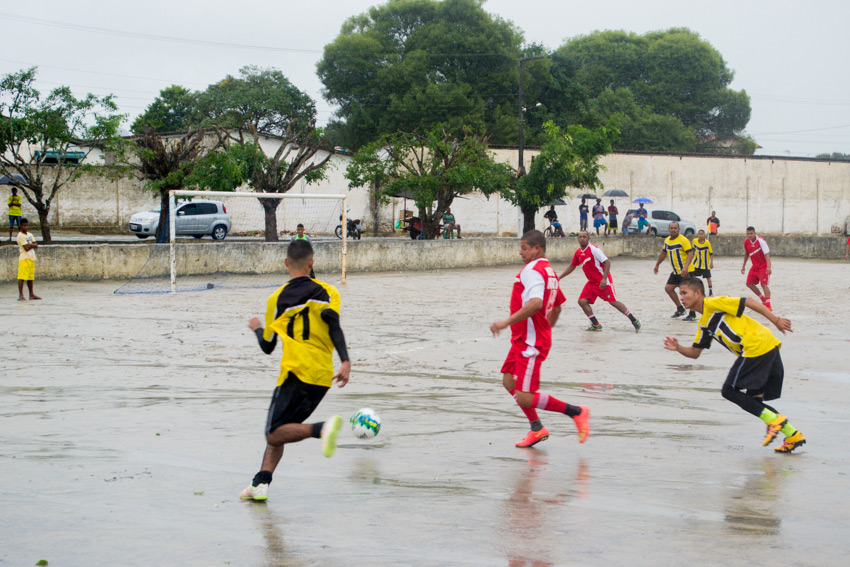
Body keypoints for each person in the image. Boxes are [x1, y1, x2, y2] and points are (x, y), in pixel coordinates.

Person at [240, 239, 351, 501]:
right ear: (312, 262)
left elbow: (268, 347)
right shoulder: (329, 293)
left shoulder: (276, 299)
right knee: (283, 429)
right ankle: (260, 483)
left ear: (286, 263)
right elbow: (334, 326)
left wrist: (256, 327)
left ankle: (321, 429)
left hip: (295, 374)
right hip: (323, 376)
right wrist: (345, 360)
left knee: (273, 432)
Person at [663, 277, 805, 454]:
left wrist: (775, 319)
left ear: (698, 293)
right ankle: (793, 435)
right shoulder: (704, 324)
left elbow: (748, 301)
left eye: (684, 293)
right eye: (679, 294)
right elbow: (695, 353)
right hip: (767, 345)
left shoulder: (713, 303)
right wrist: (677, 348)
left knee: (728, 390)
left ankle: (775, 422)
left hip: (756, 345)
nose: (681, 297)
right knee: (754, 403)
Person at [490, 230, 589, 448]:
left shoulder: (532, 270)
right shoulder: (549, 271)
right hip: (524, 339)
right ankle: (536, 428)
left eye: (524, 248)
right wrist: (545, 329)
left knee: (525, 396)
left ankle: (577, 412)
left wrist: (506, 323)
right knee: (508, 380)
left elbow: (535, 303)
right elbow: (558, 307)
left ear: (537, 248)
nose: (520, 252)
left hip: (529, 343)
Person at [558, 230, 641, 333]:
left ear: (588, 238)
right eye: (580, 237)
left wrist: (604, 279)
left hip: (602, 281)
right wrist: (560, 277)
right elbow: (572, 266)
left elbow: (607, 262)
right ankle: (595, 324)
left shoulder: (594, 249)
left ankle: (634, 320)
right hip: (591, 282)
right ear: (578, 239)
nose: (582, 239)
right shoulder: (578, 253)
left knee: (613, 301)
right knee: (582, 301)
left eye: (584, 237)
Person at [653, 221, 696, 320]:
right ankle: (680, 308)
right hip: (676, 271)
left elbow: (690, 254)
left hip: (686, 271)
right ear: (668, 229)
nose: (673, 230)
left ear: (679, 230)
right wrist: (657, 265)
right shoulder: (667, 241)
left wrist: (685, 268)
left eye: (675, 228)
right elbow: (663, 253)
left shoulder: (683, 240)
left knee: (688, 292)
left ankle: (692, 314)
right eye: (671, 228)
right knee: (668, 288)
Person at [742, 226, 772, 311]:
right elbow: (746, 253)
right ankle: (763, 299)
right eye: (748, 234)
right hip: (754, 266)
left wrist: (769, 267)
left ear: (755, 233)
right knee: (749, 283)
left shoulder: (761, 241)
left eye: (751, 233)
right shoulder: (746, 242)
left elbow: (767, 254)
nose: (749, 235)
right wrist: (743, 266)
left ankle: (768, 305)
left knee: (763, 284)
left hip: (763, 266)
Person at [16, 218, 41, 301]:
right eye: (24, 226)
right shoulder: (20, 235)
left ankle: (31, 294)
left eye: (27, 225)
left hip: (31, 258)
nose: (26, 227)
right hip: (24, 258)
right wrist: (32, 245)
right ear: (20, 226)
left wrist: (30, 245)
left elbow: (36, 245)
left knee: (30, 277)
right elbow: (26, 248)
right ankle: (21, 295)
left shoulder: (30, 234)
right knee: (22, 277)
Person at [689, 229, 714, 296]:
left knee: (708, 277)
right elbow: (692, 250)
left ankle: (710, 291)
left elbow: (711, 253)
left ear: (704, 235)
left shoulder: (707, 243)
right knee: (692, 276)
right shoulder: (694, 241)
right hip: (696, 263)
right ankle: (696, 290)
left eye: (702, 234)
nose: (700, 235)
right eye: (699, 234)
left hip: (705, 264)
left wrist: (711, 263)